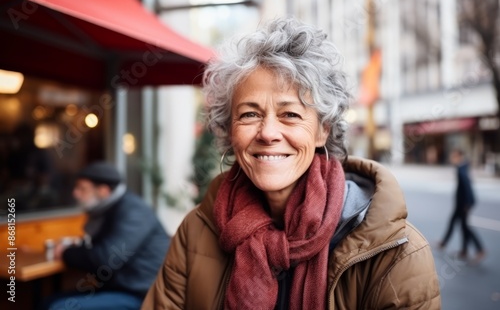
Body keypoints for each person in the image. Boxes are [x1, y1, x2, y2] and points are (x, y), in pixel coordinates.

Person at [142, 18, 440, 309]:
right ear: (229, 130)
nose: (269, 133)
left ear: (323, 130)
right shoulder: (196, 231)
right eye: (249, 114)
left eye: (290, 114)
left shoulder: (396, 253)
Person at [40, 162, 170, 310]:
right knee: (46, 303)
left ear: (103, 190)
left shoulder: (134, 212)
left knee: (58, 308)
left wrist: (65, 252)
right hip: (118, 287)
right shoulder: (109, 209)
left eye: (82, 189)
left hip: (142, 295)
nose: (75, 193)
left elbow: (106, 259)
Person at [439, 149, 485, 262]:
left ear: (458, 156)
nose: (451, 159)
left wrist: (467, 204)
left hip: (463, 204)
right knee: (455, 222)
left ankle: (480, 249)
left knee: (465, 227)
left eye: (453, 156)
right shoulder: (462, 167)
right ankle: (461, 249)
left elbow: (467, 187)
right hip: (461, 203)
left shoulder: (461, 169)